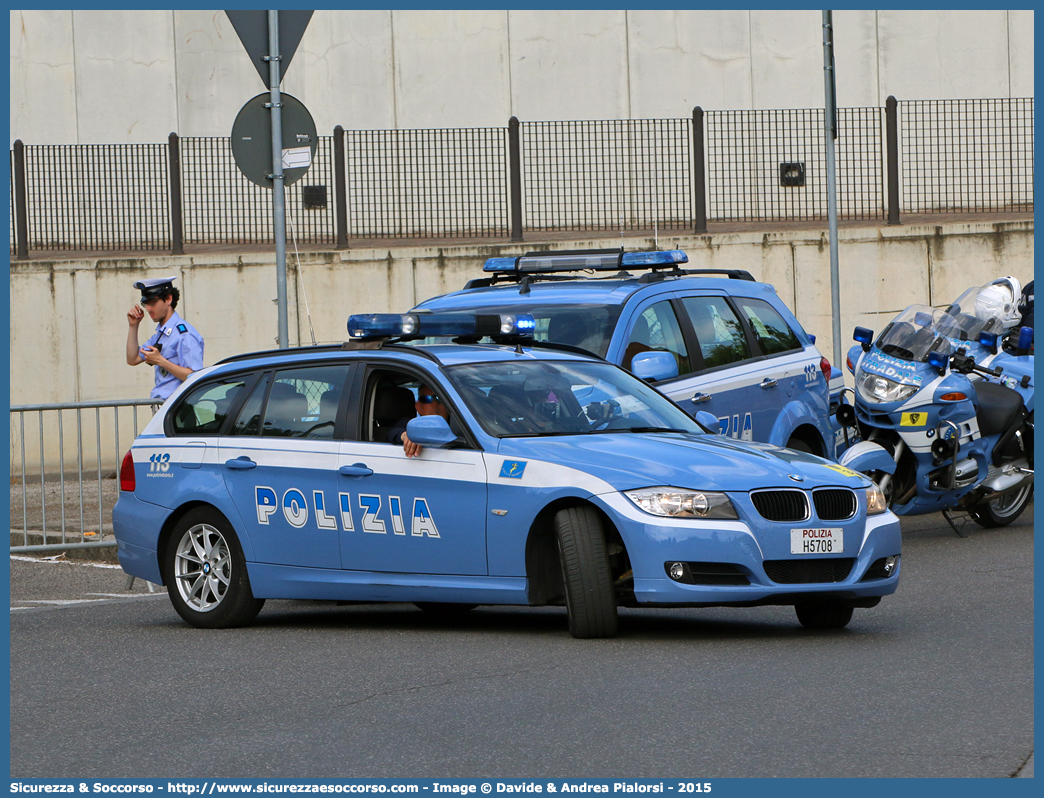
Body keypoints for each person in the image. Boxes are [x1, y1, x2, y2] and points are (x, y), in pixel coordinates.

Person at [126, 276, 204, 401]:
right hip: (164, 407)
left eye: (153, 302)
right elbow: (132, 359)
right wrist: (133, 326)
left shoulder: (184, 334)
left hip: (179, 408)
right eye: (146, 303)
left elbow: (195, 376)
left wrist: (161, 361)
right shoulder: (161, 334)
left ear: (168, 299)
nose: (148, 309)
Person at [387, 384, 450, 458]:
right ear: (418, 406)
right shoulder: (408, 424)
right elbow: (391, 433)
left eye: (439, 399)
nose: (435, 404)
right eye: (427, 399)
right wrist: (406, 435)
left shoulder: (462, 426)